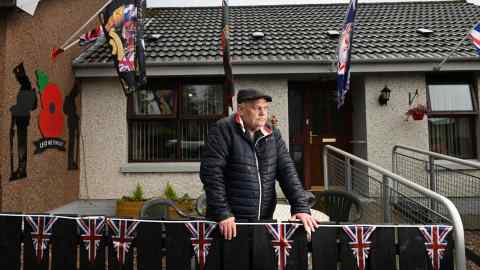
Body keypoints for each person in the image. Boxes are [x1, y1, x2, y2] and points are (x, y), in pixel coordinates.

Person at [200, 88, 318, 240]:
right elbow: (211, 173)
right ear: (241, 110)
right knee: (232, 264)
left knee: (261, 263)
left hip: (263, 221)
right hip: (231, 223)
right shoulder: (223, 129)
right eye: (257, 108)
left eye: (265, 108)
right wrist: (223, 213)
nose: (263, 113)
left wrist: (301, 207)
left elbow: (287, 171)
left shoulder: (272, 134)